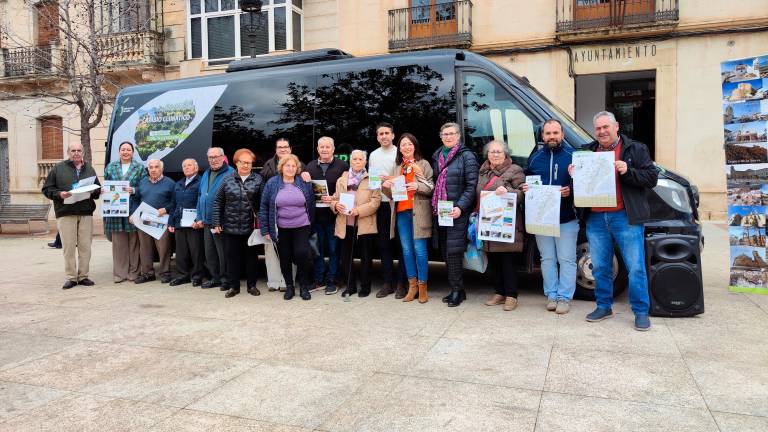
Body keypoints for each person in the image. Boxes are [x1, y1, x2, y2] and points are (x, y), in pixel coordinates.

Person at [571, 111, 658, 331]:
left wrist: (628, 171)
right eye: (598, 128)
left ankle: (640, 312)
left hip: (625, 217)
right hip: (596, 218)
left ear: (616, 126)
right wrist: (575, 174)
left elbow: (651, 178)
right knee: (600, 267)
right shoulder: (587, 152)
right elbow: (581, 186)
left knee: (635, 267)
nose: (601, 131)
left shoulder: (635, 149)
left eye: (605, 127)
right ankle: (603, 306)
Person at [523, 119, 578, 314]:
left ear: (562, 134)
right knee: (547, 258)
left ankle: (564, 297)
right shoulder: (535, 158)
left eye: (555, 133)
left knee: (567, 259)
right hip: (542, 219)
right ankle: (552, 295)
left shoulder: (573, 156)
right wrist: (527, 188)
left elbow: (585, 183)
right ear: (542, 136)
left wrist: (570, 190)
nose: (552, 136)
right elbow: (527, 181)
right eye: (548, 133)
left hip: (567, 217)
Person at [431, 122, 478, 307]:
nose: (448, 137)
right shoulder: (437, 156)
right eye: (445, 134)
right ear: (441, 136)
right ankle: (457, 289)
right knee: (445, 251)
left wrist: (460, 207)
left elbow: (471, 186)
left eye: (452, 134)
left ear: (459, 136)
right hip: (441, 210)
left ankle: (457, 290)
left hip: (458, 211)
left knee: (454, 252)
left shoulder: (467, 156)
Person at [41, 142, 101, 289]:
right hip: (66, 213)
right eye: (73, 150)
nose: (76, 153)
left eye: (79, 150)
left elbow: (97, 191)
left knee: (85, 246)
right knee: (68, 247)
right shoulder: (58, 168)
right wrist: (59, 194)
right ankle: (72, 277)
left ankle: (83, 276)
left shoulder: (89, 169)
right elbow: (47, 189)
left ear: (83, 153)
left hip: (85, 213)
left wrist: (95, 191)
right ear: (68, 152)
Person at [383, 133, 433, 303]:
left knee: (420, 250)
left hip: (419, 213)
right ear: (400, 148)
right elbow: (391, 195)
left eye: (409, 144)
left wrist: (417, 185)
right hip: (401, 213)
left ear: (414, 146)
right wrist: (386, 186)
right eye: (403, 145)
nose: (406, 147)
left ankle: (423, 287)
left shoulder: (423, 164)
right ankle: (411, 288)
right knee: (406, 251)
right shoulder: (397, 167)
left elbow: (431, 188)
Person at [259, 154, 315, 301]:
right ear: (281, 167)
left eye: (293, 166)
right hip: (281, 227)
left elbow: (311, 204)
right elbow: (264, 206)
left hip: (302, 225)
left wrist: (311, 223)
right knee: (285, 257)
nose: (290, 168)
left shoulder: (304, 182)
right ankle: (289, 286)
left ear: (297, 168)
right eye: (287, 165)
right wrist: (265, 229)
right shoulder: (272, 183)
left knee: (302, 254)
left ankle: (303, 287)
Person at [477, 140, 525, 311]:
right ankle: (499, 292)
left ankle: (511, 296)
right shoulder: (483, 171)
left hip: (507, 225)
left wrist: (509, 192)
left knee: (508, 261)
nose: (495, 154)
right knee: (495, 261)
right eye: (492, 152)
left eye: (498, 151)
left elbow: (523, 193)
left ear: (505, 153)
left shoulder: (515, 170)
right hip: (489, 224)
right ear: (487, 154)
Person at [213, 149, 263, 298]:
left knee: (251, 258)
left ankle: (252, 285)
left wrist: (261, 221)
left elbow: (263, 203)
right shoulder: (227, 179)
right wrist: (216, 221)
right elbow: (217, 201)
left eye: (249, 163)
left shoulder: (258, 180)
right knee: (232, 258)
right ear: (236, 162)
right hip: (230, 226)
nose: (247, 165)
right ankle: (233, 286)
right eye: (244, 162)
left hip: (250, 227)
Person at [331, 150, 381, 297]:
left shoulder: (373, 178)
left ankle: (365, 286)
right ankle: (350, 286)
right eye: (354, 159)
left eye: (360, 159)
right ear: (350, 161)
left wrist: (358, 210)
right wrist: (335, 205)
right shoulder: (342, 178)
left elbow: (376, 201)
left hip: (364, 223)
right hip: (345, 223)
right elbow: (335, 198)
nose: (357, 162)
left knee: (366, 257)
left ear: (365, 162)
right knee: (346, 257)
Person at [305, 136, 348, 294]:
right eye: (321, 147)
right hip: (316, 217)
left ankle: (332, 280)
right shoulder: (310, 167)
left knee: (333, 250)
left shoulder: (343, 166)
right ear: (317, 149)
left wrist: (334, 199)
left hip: (334, 217)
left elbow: (347, 190)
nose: (324, 150)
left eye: (327, 147)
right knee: (317, 250)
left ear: (333, 149)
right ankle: (318, 280)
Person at [369, 122, 407, 298]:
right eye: (380, 134)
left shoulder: (400, 153)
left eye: (387, 133)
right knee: (384, 245)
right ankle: (387, 282)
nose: (384, 136)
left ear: (393, 135)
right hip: (382, 204)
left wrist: (391, 180)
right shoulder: (374, 155)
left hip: (398, 202)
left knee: (401, 245)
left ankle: (402, 283)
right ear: (377, 137)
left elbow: (404, 177)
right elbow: (373, 182)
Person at [103, 141, 146, 283]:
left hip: (132, 209)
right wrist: (105, 190)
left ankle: (133, 272)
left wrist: (133, 190)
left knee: (134, 243)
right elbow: (107, 185)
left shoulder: (139, 168)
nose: (126, 152)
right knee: (118, 243)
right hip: (115, 210)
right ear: (119, 151)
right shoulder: (111, 167)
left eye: (128, 150)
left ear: (133, 152)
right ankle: (119, 273)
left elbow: (145, 188)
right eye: (123, 149)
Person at [194, 147, 234, 289]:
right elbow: (200, 196)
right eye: (211, 157)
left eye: (217, 157)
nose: (214, 160)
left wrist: (222, 220)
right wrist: (199, 217)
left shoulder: (230, 173)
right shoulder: (206, 173)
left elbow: (232, 199)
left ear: (223, 157)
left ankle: (226, 279)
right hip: (206, 221)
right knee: (210, 252)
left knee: (222, 253)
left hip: (221, 222)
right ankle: (215, 277)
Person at [133, 159, 176, 284]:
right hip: (144, 220)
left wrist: (166, 209)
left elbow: (175, 202)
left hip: (161, 221)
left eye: (156, 167)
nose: (153, 169)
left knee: (163, 248)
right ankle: (147, 273)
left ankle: (165, 272)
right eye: (150, 167)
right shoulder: (143, 182)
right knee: (145, 248)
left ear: (161, 169)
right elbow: (137, 199)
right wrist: (134, 215)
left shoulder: (170, 183)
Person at [168, 158, 205, 287]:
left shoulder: (201, 182)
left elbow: (202, 203)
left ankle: (197, 276)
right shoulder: (178, 184)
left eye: (190, 165)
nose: (187, 168)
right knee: (181, 252)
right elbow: (173, 204)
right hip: (179, 223)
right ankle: (182, 275)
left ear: (196, 167)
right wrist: (171, 222)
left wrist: (199, 219)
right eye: (184, 166)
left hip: (194, 224)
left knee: (196, 251)